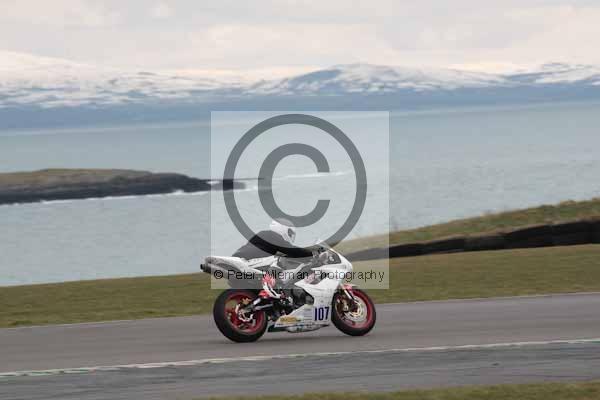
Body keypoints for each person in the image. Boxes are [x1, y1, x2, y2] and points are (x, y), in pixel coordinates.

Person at [232, 219, 315, 260]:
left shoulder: (263, 234)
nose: (290, 236)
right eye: (289, 233)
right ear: (282, 228)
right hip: (247, 260)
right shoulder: (273, 236)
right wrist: (312, 253)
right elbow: (291, 250)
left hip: (241, 258)